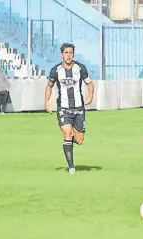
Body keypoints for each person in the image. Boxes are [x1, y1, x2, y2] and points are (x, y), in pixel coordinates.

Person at [45, 43, 94, 174]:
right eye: (66, 53)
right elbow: (49, 86)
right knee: (67, 133)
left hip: (78, 108)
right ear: (62, 54)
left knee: (80, 140)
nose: (68, 55)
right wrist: (47, 102)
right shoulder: (55, 70)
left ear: (73, 54)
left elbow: (89, 83)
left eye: (71, 53)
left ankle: (69, 143)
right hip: (64, 108)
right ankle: (71, 166)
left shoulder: (80, 68)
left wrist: (90, 96)